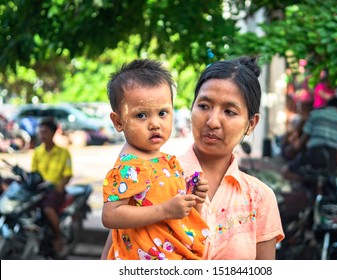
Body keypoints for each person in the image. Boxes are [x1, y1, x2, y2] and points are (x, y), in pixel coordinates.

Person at [101, 55, 284, 260]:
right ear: (191, 108)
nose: (213, 121)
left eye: (229, 111)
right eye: (204, 106)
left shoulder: (259, 199)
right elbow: (115, 251)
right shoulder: (150, 174)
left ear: (251, 123)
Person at [101, 59, 209, 260]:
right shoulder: (130, 166)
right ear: (118, 121)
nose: (155, 124)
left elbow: (167, 206)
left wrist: (192, 197)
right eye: (141, 115)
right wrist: (165, 210)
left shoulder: (166, 161)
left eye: (162, 113)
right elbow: (110, 215)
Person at [281, 97, 337, 183]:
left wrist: (294, 148)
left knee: (286, 171)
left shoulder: (315, 115)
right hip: (331, 158)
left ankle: (305, 182)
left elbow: (303, 140)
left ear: (327, 105)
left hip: (313, 154)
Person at [32, 117, 73, 252]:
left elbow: (67, 174)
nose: (42, 135)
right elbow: (34, 173)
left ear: (53, 133)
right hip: (39, 191)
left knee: (48, 209)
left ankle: (58, 237)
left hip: (56, 191)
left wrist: (59, 186)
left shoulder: (63, 152)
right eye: (40, 132)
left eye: (45, 132)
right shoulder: (37, 152)